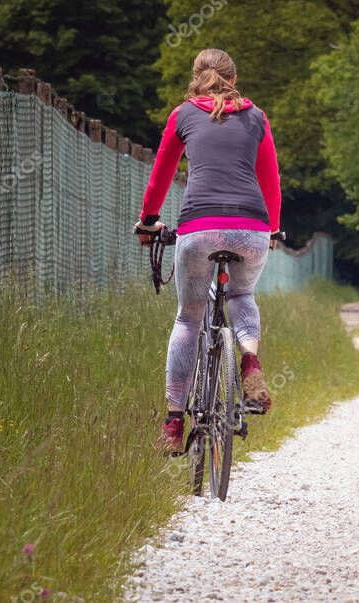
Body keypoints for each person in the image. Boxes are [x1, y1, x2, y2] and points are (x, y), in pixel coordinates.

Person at [135, 48, 282, 453]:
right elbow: (270, 180)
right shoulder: (256, 117)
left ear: (196, 76)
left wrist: (148, 221)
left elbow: (161, 174)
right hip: (251, 227)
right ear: (234, 78)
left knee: (188, 318)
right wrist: (271, 228)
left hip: (199, 226)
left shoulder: (182, 115)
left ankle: (172, 423)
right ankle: (249, 359)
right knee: (242, 294)